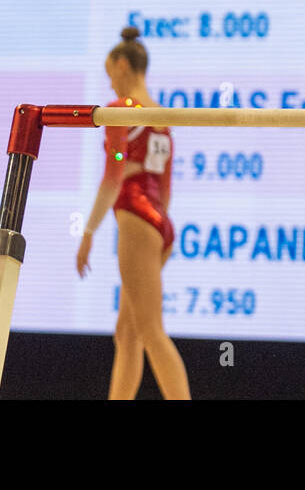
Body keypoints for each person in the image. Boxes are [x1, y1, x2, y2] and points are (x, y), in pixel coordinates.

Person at [76, 26, 190, 400]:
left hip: (138, 220)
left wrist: (88, 233)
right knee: (127, 333)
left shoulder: (121, 111)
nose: (110, 84)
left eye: (110, 74)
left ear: (122, 65)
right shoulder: (161, 117)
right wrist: (157, 231)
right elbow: (165, 188)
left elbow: (112, 178)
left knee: (152, 333)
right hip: (158, 223)